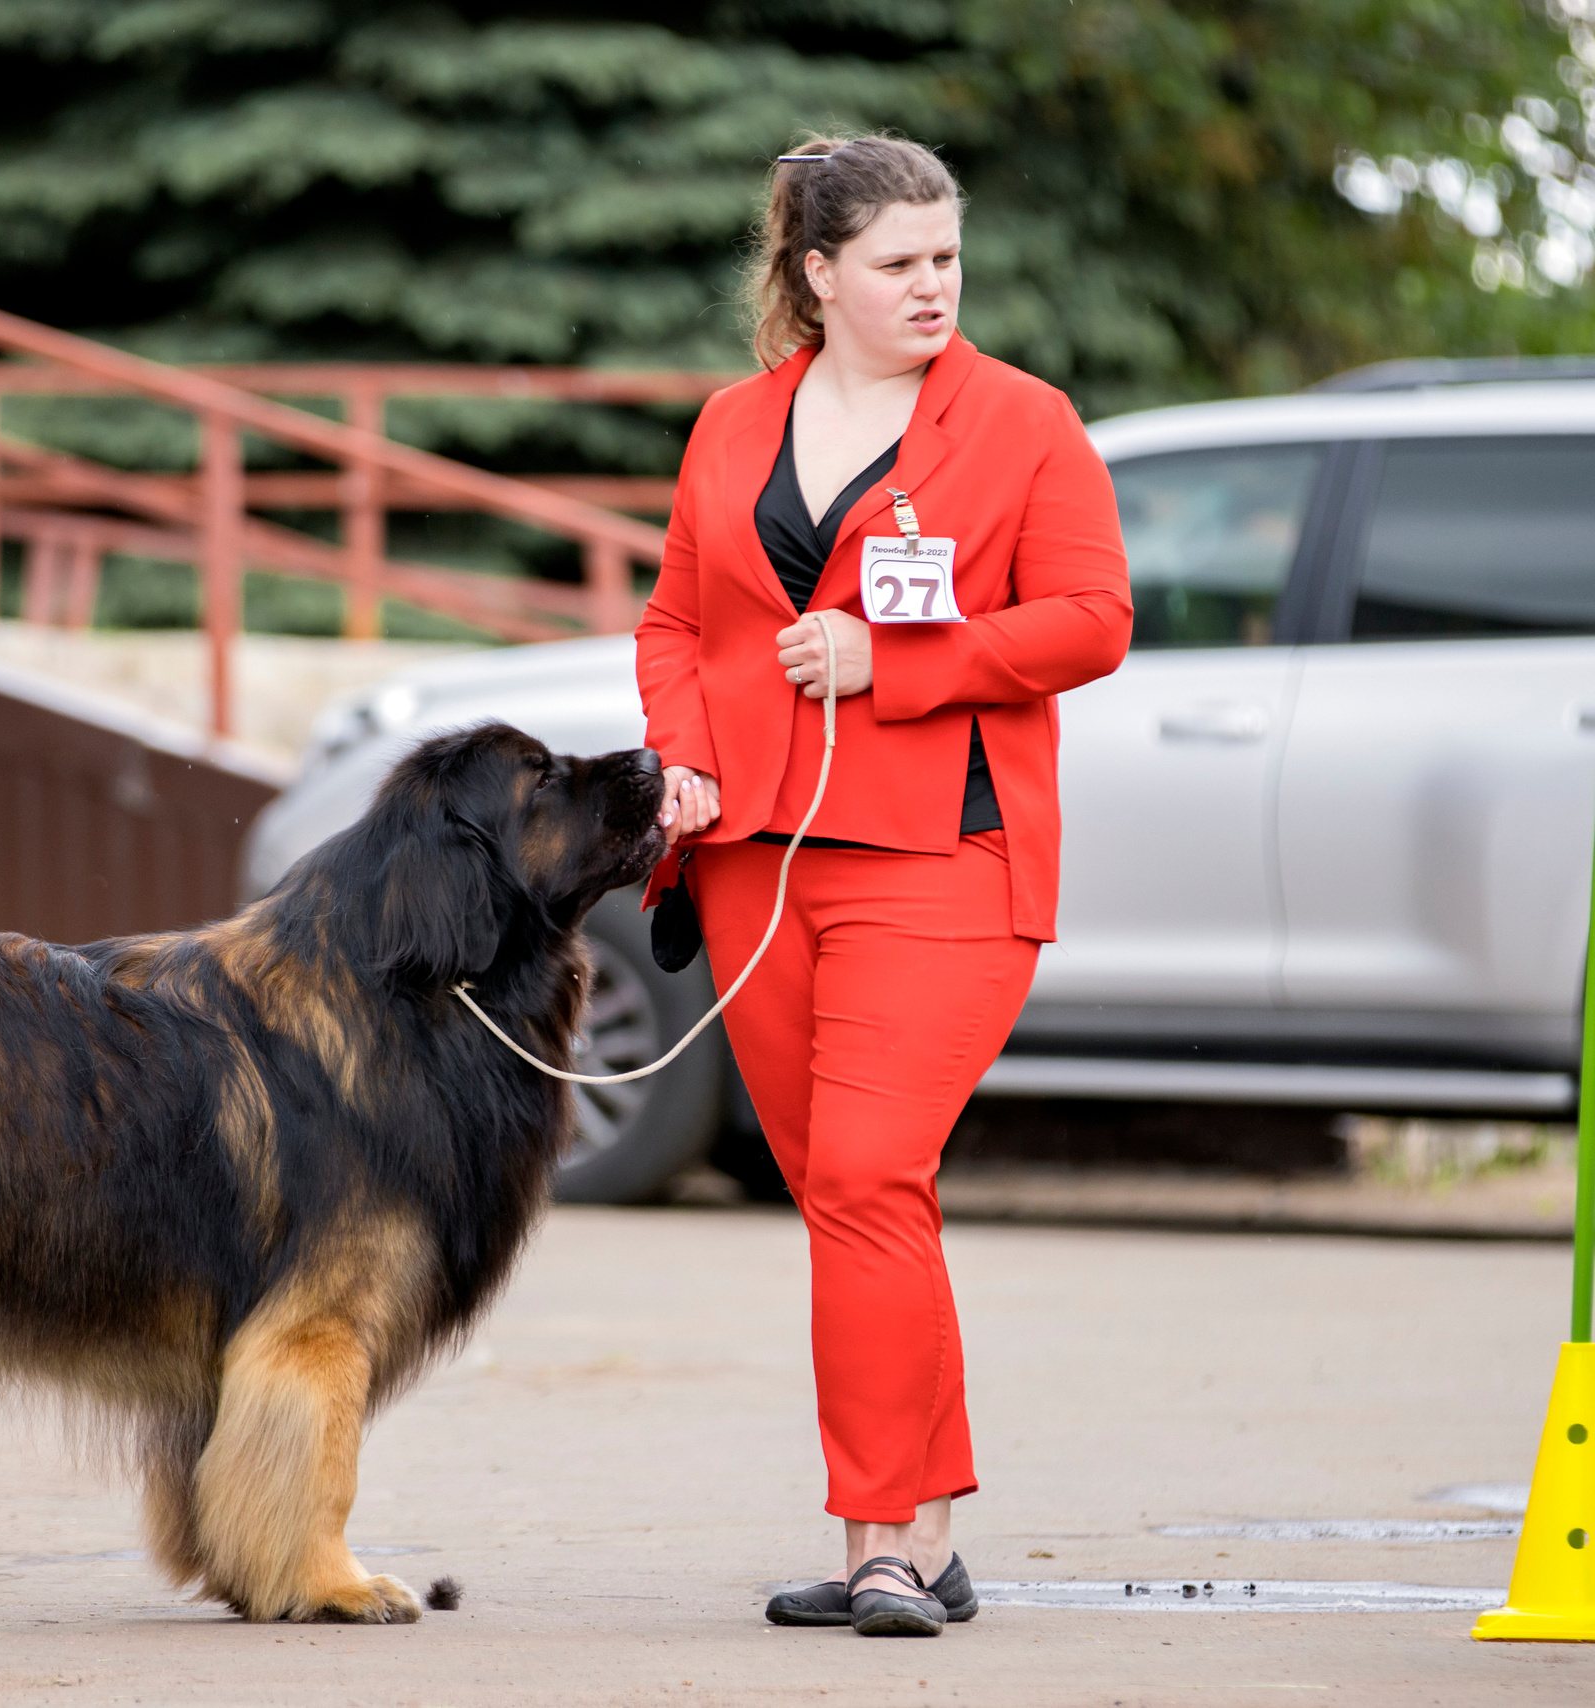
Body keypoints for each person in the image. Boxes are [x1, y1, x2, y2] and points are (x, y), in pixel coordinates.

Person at [634, 133, 1132, 1637]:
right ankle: (928, 1527)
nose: (936, 286)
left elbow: (1092, 620)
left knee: (861, 1178)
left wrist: (896, 658)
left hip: (945, 859)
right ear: (817, 274)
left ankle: (881, 1549)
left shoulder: (1023, 422)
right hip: (757, 865)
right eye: (902, 263)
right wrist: (687, 756)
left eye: (948, 258)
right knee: (859, 1201)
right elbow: (676, 619)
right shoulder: (733, 424)